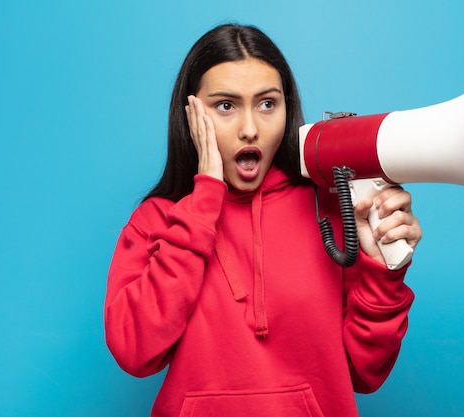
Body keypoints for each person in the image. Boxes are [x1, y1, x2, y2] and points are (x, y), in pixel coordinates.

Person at [104, 23, 422, 417]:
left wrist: (382, 270)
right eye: (226, 106)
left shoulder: (332, 211)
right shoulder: (157, 221)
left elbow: (366, 373)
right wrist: (204, 201)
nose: (250, 129)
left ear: (287, 109)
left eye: (267, 103)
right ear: (191, 114)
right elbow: (135, 352)